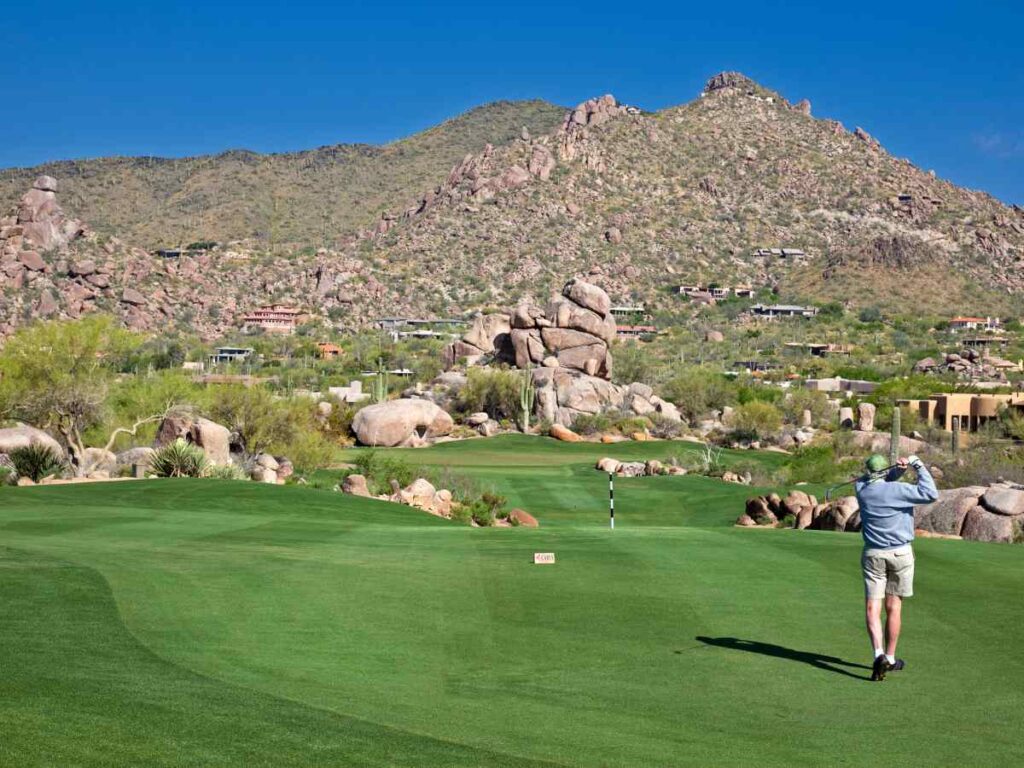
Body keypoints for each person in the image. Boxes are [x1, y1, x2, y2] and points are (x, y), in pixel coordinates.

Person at [853, 453, 938, 681]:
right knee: (894, 607)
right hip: (900, 553)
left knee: (873, 608)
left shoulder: (861, 488)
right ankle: (890, 659)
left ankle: (878, 654)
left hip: (873, 554)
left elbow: (877, 479)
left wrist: (897, 471)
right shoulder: (899, 491)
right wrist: (917, 465)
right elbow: (931, 493)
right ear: (885, 472)